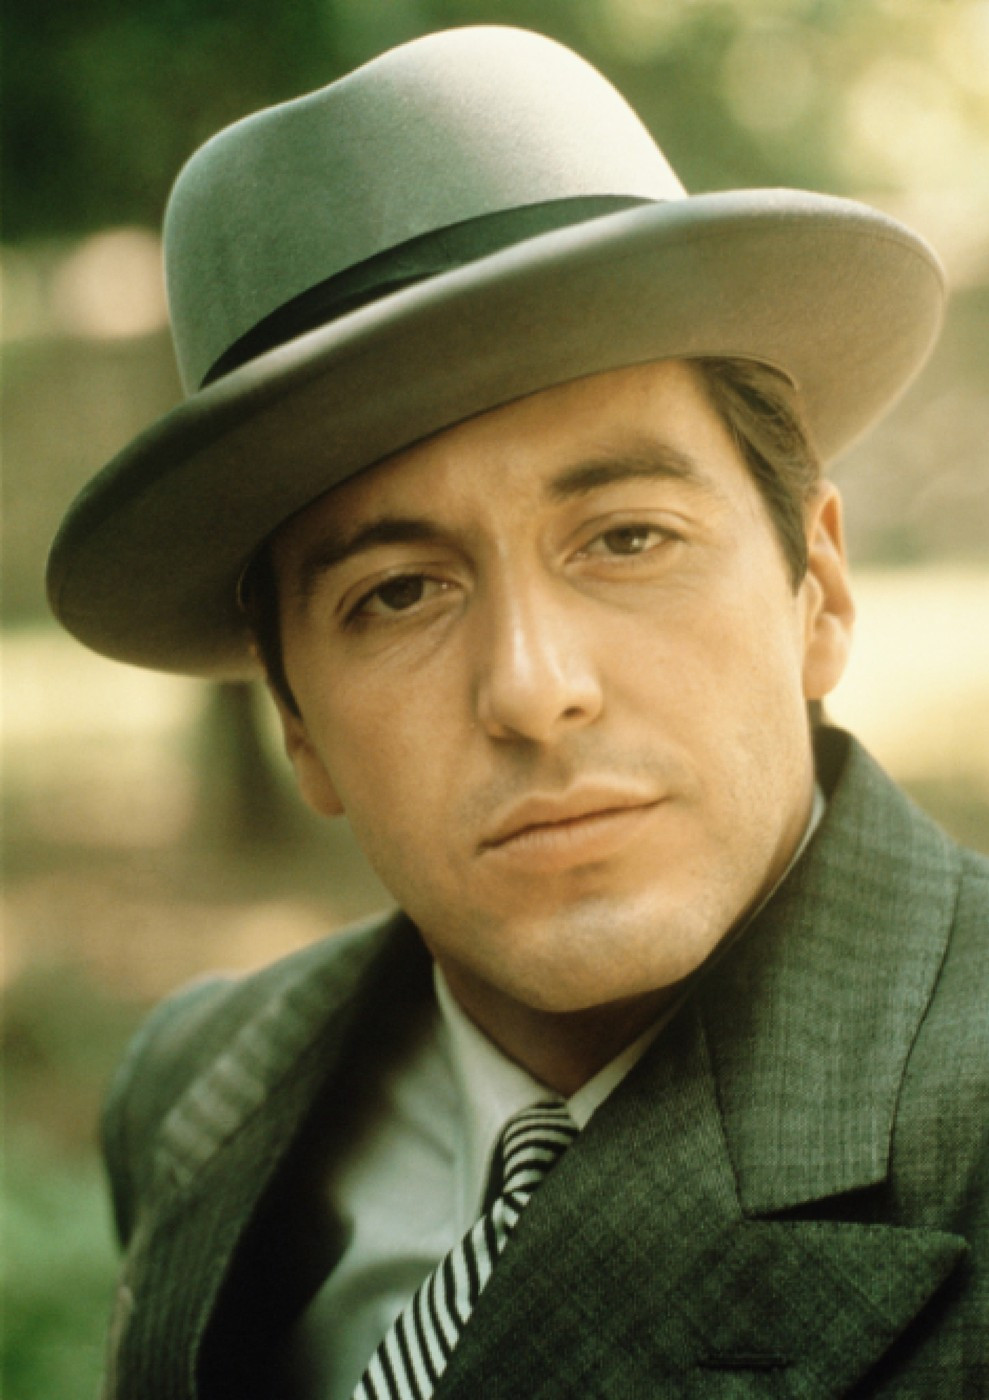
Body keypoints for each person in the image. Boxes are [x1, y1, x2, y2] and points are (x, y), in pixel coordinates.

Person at [47, 26, 987, 1400]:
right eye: (398, 593)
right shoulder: (195, 1086)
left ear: (818, 592)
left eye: (627, 538)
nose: (535, 690)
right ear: (297, 721)